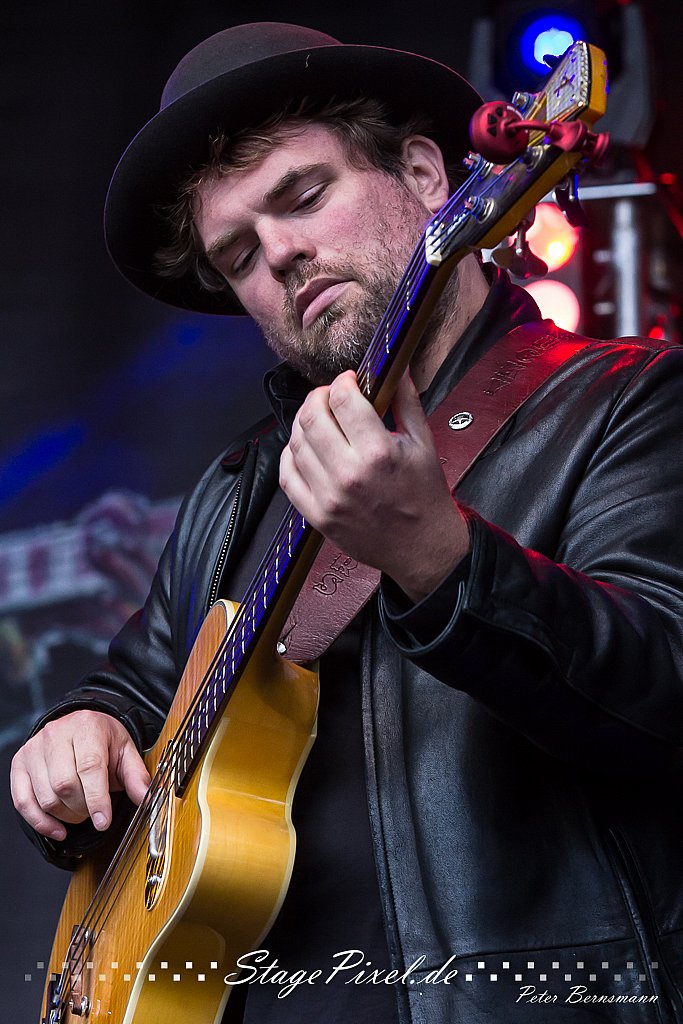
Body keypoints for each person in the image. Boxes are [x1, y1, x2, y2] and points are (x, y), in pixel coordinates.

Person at [10, 22, 683, 1024]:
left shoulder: (625, 402)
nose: (280, 254)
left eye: (302, 197)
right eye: (238, 252)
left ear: (423, 174)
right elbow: (139, 691)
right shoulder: (237, 490)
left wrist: (439, 560)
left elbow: (666, 683)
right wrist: (77, 733)